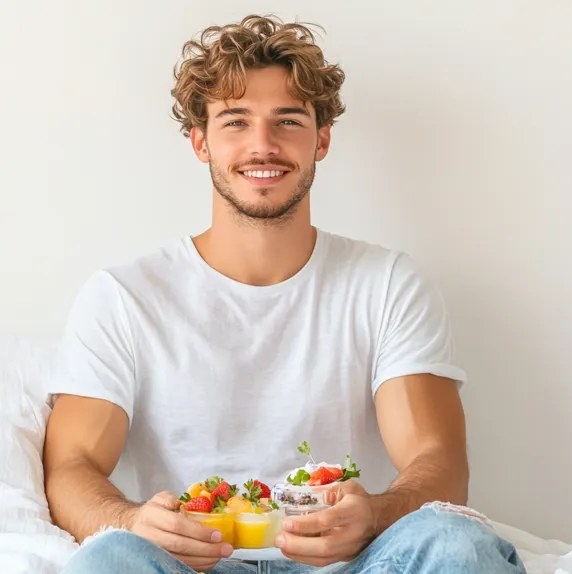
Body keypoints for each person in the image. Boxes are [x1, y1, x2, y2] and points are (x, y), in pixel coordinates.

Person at [43, 13, 526, 574]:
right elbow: (71, 467)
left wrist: (372, 514)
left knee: (454, 542)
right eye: (235, 121)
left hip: (354, 562)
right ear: (200, 141)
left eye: (288, 121)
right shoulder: (123, 297)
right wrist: (131, 522)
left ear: (322, 139)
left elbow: (436, 460)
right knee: (109, 558)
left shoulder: (387, 283)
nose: (263, 145)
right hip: (190, 564)